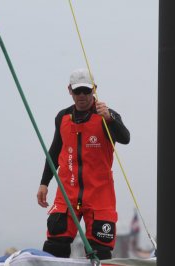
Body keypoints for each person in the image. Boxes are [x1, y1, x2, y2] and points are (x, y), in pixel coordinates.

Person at [37, 68, 130, 260]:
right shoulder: (62, 117)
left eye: (86, 91)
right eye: (77, 91)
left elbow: (126, 138)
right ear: (69, 90)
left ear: (94, 89)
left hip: (99, 195)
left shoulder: (107, 115)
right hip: (67, 193)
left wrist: (110, 120)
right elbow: (54, 152)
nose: (82, 96)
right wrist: (44, 182)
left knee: (100, 251)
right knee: (54, 245)